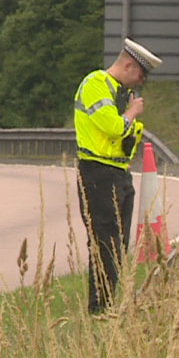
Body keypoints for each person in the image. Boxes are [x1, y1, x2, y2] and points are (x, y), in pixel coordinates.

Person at [74, 38, 161, 313]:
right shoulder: (95, 85)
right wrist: (131, 114)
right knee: (104, 242)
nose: (140, 82)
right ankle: (100, 307)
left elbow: (126, 141)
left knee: (119, 244)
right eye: (140, 74)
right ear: (128, 64)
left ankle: (111, 301)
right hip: (97, 171)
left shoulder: (119, 93)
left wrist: (129, 117)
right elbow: (112, 127)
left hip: (119, 172)